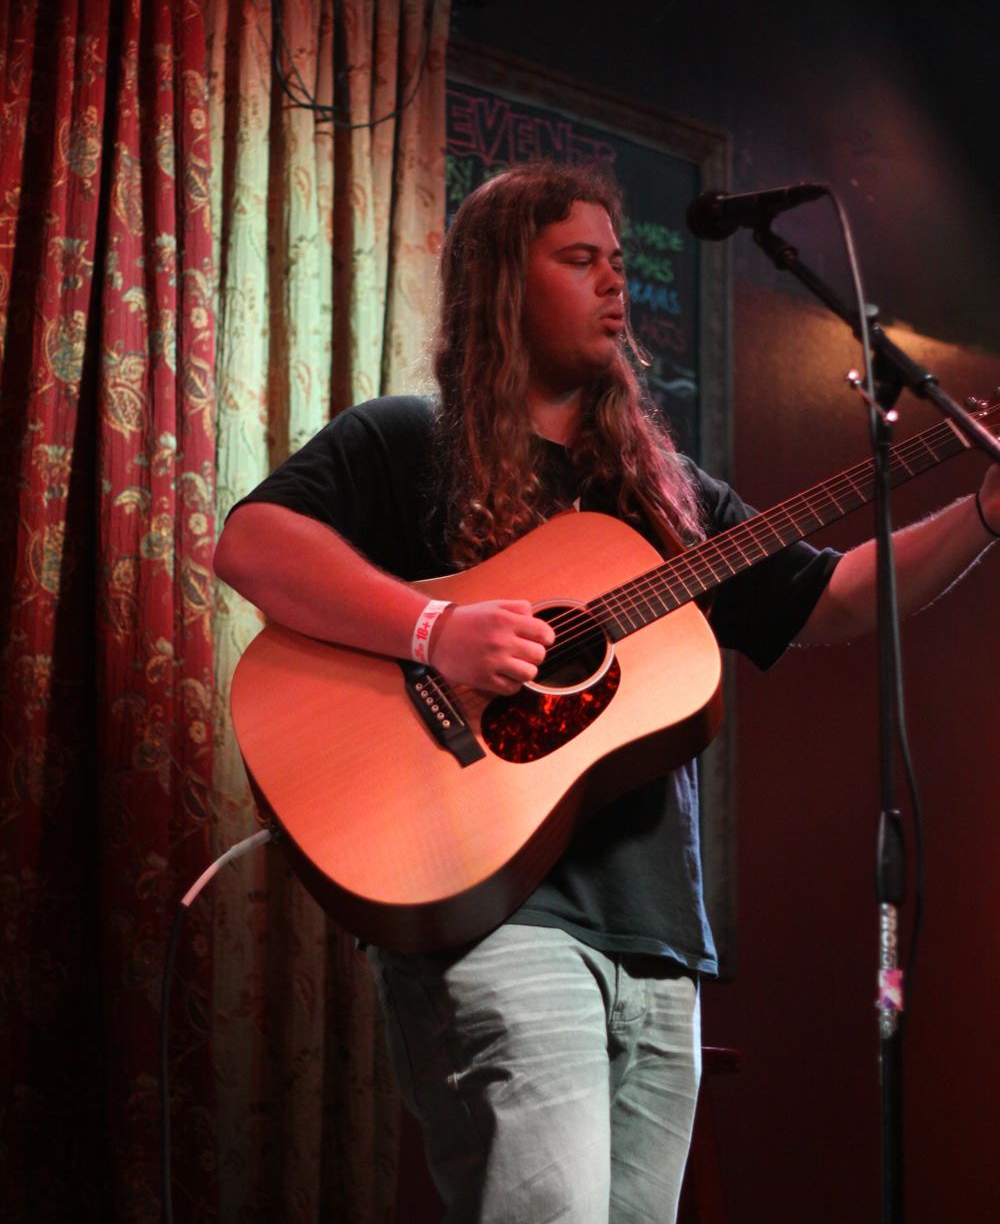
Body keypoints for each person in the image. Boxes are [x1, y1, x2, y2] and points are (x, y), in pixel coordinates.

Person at [214, 162, 999, 1224]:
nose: (614, 286)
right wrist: (435, 629)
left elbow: (839, 599)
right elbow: (253, 545)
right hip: (497, 919)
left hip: (657, 936)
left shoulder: (664, 497)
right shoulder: (408, 441)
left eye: (619, 265)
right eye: (578, 260)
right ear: (500, 281)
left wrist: (983, 513)